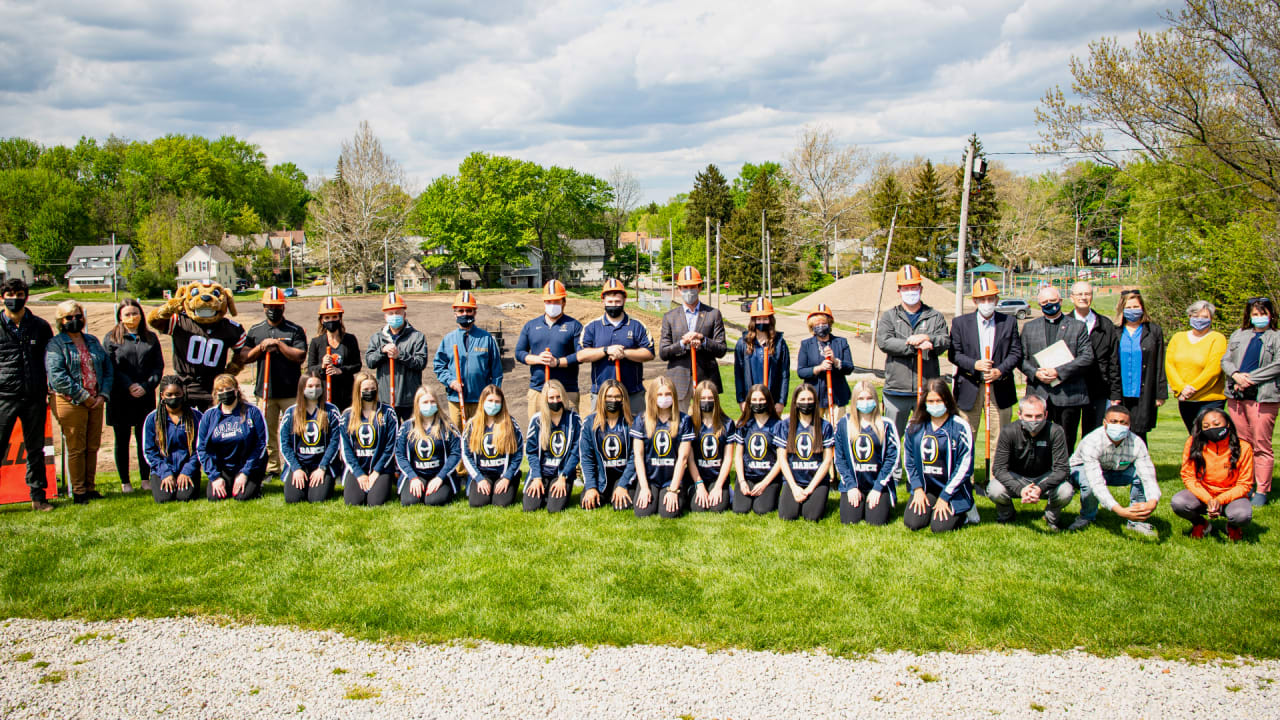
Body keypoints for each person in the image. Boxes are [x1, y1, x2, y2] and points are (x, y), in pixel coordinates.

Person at [46, 300, 114, 504]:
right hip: (70, 402)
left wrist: (103, 395)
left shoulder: (92, 341)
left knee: (92, 446)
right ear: (61, 321)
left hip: (96, 401)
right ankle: (79, 490)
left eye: (78, 317)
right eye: (69, 318)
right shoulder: (55, 344)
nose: (74, 321)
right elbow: (57, 376)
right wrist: (83, 396)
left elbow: (107, 369)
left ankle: (91, 487)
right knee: (76, 447)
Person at [948, 278, 1022, 465]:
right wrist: (974, 364)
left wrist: (1000, 371)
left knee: (1000, 435)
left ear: (997, 300)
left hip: (999, 387)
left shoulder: (1009, 322)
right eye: (982, 299)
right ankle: (966, 477)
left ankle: (997, 477)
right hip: (970, 386)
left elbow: (1016, 353)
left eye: (990, 298)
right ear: (975, 301)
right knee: (966, 435)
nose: (987, 303)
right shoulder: (960, 323)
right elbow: (954, 354)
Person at [875, 265, 950, 438]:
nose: (910, 291)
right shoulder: (890, 316)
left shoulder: (934, 316)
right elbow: (884, 342)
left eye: (914, 287)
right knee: (893, 437)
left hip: (926, 390)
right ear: (899, 291)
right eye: (906, 288)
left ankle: (923, 465)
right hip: (897, 389)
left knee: (927, 436)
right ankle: (894, 466)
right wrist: (913, 345)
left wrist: (929, 339)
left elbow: (945, 340)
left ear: (921, 289)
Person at [0, 278, 55, 511]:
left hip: (34, 396)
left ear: (26, 296)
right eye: (9, 294)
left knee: (35, 448)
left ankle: (38, 497)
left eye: (19, 293)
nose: (14, 298)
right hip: (4, 397)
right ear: (2, 297)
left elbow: (49, 361)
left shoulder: (40, 326)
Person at [243, 287, 308, 481]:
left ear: (283, 308)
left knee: (296, 430)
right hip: (266, 392)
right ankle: (272, 468)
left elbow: (299, 356)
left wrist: (279, 345)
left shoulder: (294, 330)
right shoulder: (256, 330)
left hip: (290, 391)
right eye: (270, 306)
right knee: (267, 432)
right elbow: (244, 356)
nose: (274, 309)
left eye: (278, 306)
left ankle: (296, 465)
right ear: (264, 307)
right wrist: (260, 347)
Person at [1020, 284, 1095, 452]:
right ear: (1039, 304)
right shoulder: (1029, 327)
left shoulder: (1077, 327)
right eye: (1044, 301)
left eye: (1053, 300)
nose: (1049, 304)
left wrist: (1058, 372)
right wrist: (1035, 373)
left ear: (1060, 301)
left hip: (1068, 394)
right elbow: (1020, 358)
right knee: (1036, 441)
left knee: (1066, 440)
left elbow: (1087, 357)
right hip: (1039, 393)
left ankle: (1063, 474)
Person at [1221, 297, 1280, 506]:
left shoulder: (1276, 337)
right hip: (1236, 397)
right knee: (1243, 444)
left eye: (1263, 313)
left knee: (1261, 444)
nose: (1259, 318)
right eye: (1255, 314)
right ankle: (1246, 485)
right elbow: (1225, 360)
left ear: (1271, 315)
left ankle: (1262, 490)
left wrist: (1250, 379)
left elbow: (1277, 365)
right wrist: (1236, 375)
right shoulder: (1239, 334)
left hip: (1263, 397)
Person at [1068, 404, 1161, 535]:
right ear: (1104, 423)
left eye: (1123, 423)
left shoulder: (1137, 443)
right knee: (1089, 483)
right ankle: (1086, 517)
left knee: (1140, 475)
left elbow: (1149, 476)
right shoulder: (1092, 441)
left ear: (1129, 425)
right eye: (1114, 422)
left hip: (1116, 470)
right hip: (1082, 471)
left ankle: (1137, 519)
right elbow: (1096, 482)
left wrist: (1153, 501)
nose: (1118, 426)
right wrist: (1119, 510)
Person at [103, 298, 164, 493]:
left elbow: (158, 366)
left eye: (135, 313)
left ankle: (145, 479)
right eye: (127, 314)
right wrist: (129, 385)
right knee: (121, 440)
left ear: (141, 315)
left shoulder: (151, 338)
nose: (132, 317)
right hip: (120, 397)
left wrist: (146, 386)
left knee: (144, 438)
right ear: (120, 317)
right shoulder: (111, 338)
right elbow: (111, 366)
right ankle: (125, 482)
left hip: (145, 397)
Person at [988, 394, 1072, 529]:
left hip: (1045, 477)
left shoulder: (1056, 431)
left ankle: (1051, 518)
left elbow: (1062, 469)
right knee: (994, 489)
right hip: (1017, 477)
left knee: (1065, 491)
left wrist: (1041, 488)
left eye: (1038, 416)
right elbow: (998, 469)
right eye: (1028, 416)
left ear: (1046, 414)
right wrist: (1020, 489)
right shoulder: (1008, 431)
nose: (1034, 420)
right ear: (1020, 414)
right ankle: (1007, 516)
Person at [902, 379, 974, 533]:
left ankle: (964, 512)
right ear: (924, 402)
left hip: (953, 490)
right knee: (912, 523)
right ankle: (931, 505)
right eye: (930, 401)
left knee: (939, 528)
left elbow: (965, 467)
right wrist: (918, 489)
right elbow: (909, 461)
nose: (934, 405)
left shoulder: (960, 426)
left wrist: (946, 496)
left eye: (938, 400)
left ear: (947, 400)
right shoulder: (914, 425)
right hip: (927, 489)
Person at [1173, 407, 1254, 541]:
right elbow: (1188, 476)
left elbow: (1245, 484)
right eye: (1206, 426)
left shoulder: (1244, 447)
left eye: (1217, 424)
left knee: (1242, 515)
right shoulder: (1193, 443)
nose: (1212, 428)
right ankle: (1200, 523)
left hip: (1232, 496)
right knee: (1179, 502)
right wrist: (1208, 499)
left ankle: (1233, 526)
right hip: (1203, 494)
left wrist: (1219, 500)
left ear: (1227, 424)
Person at [578, 278, 654, 416]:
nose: (614, 305)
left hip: (633, 392)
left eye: (617, 302)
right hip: (602, 392)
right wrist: (606, 350)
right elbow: (581, 355)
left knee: (636, 433)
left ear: (624, 300)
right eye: (610, 302)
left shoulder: (637, 326)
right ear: (603, 301)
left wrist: (624, 353)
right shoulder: (592, 327)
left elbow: (649, 353)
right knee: (601, 432)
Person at [659, 266, 728, 409]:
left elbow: (721, 350)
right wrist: (683, 343)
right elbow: (663, 353)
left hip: (706, 380)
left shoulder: (713, 314)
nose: (688, 291)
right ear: (679, 289)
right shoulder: (670, 317)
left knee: (707, 424)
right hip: (679, 381)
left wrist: (703, 341)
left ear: (700, 287)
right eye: (684, 287)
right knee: (679, 425)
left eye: (692, 287)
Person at [833, 381, 900, 526]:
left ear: (875, 400)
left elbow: (892, 458)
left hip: (877, 484)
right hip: (853, 484)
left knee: (876, 521)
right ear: (854, 401)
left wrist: (877, 488)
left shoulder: (886, 425)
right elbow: (840, 458)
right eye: (861, 399)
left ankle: (883, 497)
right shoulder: (844, 424)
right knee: (850, 520)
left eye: (869, 398)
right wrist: (850, 486)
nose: (865, 402)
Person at [433, 291, 503, 429]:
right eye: (461, 310)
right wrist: (450, 382)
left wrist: (493, 395)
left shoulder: (486, 338)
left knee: (480, 435)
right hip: (456, 400)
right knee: (458, 437)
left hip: (481, 400)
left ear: (475, 312)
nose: (465, 313)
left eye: (469, 310)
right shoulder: (448, 339)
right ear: (455, 313)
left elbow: (496, 371)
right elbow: (439, 366)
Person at [196, 373, 268, 502]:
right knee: (215, 497)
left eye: (228, 389)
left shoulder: (252, 412)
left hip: (248, 466)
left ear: (236, 390)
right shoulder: (209, 416)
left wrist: (245, 473)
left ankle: (255, 483)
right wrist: (215, 477)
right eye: (221, 390)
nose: (225, 393)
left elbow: (261, 444)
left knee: (242, 497)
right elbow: (202, 448)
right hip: (223, 468)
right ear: (215, 393)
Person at [629, 375, 693, 518]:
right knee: (642, 512)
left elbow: (683, 459)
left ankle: (681, 493)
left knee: (669, 513)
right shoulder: (641, 420)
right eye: (660, 394)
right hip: (650, 478)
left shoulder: (684, 420)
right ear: (652, 396)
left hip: (672, 479)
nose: (664, 398)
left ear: (674, 396)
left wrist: (673, 490)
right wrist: (644, 487)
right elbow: (638, 456)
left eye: (668, 394)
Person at [514, 280, 583, 413]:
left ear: (564, 302)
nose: (552, 305)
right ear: (544, 302)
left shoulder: (574, 326)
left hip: (567, 391)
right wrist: (538, 359)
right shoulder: (531, 325)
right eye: (549, 301)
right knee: (539, 431)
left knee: (569, 432)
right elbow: (519, 353)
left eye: (556, 301)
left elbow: (580, 356)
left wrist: (557, 362)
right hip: (538, 391)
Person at [1109, 289, 1167, 444]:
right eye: (1129, 307)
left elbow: (1160, 362)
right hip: (1121, 392)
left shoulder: (1153, 331)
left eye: (1136, 307)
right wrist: (1113, 394)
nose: (1133, 311)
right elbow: (1111, 364)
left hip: (1144, 391)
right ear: (1122, 309)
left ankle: (1141, 466)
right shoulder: (1115, 331)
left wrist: (1160, 393)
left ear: (1142, 308)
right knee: (1119, 430)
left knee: (1140, 432)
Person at [279, 371, 343, 504]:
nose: (314, 389)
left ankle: (326, 481)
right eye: (310, 386)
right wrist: (296, 468)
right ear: (302, 388)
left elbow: (335, 442)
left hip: (321, 465)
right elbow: (284, 444)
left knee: (317, 499)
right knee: (293, 499)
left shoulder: (331, 411)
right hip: (299, 464)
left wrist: (322, 467)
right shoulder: (291, 412)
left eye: (318, 386)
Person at [365, 291, 429, 421]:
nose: (395, 316)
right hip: (386, 399)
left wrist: (400, 355)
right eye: (391, 313)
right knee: (389, 436)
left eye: (398, 312)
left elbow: (420, 363)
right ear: (385, 316)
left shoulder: (417, 337)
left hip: (409, 398)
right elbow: (370, 362)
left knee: (410, 435)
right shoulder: (377, 338)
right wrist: (382, 351)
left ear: (404, 314)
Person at [1166, 300, 1227, 434]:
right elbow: (1169, 365)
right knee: (1194, 437)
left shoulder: (1217, 338)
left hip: (1209, 399)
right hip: (1185, 400)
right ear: (1189, 317)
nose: (1200, 320)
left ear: (1211, 319)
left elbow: (1213, 369)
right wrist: (1181, 388)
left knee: (1210, 436)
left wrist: (1191, 389)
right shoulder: (1178, 338)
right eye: (1196, 316)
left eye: (1205, 317)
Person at [395, 386, 462, 507]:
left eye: (432, 402)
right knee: (410, 501)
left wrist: (440, 478)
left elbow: (456, 453)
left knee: (434, 501)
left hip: (440, 475)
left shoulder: (447, 426)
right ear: (417, 405)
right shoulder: (407, 427)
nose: (429, 405)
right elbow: (400, 454)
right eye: (425, 402)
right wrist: (413, 477)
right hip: (416, 474)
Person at [776, 384, 835, 522]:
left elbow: (827, 461)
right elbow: (782, 459)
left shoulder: (825, 426)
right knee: (787, 516)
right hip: (794, 480)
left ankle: (816, 496)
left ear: (815, 401)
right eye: (802, 399)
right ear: (795, 402)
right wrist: (794, 487)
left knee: (811, 516)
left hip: (817, 481)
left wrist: (809, 489)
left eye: (810, 399)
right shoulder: (785, 426)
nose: (806, 403)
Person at [340, 372, 399, 507]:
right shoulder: (347, 415)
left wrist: (376, 472)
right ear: (358, 391)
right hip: (358, 467)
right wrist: (359, 473)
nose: (369, 392)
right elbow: (346, 449)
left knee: (375, 502)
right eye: (365, 390)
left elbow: (390, 447)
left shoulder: (388, 413)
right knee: (353, 501)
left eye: (372, 389)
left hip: (381, 468)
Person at [1068, 281, 1118, 438]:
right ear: (1072, 298)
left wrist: (1115, 393)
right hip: (1070, 389)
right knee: (1067, 434)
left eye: (1087, 294)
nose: (1083, 297)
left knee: (1094, 435)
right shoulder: (1064, 323)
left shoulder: (1105, 325)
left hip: (1098, 388)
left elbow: (1113, 361)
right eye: (1080, 294)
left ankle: (1091, 463)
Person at [524, 380, 582, 513]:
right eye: (551, 397)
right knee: (530, 507)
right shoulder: (537, 420)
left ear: (563, 397)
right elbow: (531, 452)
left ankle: (556, 490)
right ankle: (545, 488)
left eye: (558, 396)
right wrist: (537, 477)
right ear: (545, 399)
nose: (555, 400)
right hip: (542, 473)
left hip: (562, 473)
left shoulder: (573, 419)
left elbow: (576, 451)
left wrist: (563, 477)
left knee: (554, 508)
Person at [142, 376, 203, 503]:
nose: (174, 398)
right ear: (162, 395)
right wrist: (165, 473)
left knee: (185, 497)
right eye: (169, 394)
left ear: (183, 394)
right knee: (164, 498)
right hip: (162, 469)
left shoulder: (196, 417)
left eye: (177, 394)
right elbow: (149, 451)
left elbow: (200, 448)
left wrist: (187, 471)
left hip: (187, 469)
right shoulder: (152, 419)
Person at [461, 385, 523, 507]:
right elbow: (466, 455)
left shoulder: (511, 423)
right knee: (477, 503)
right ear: (483, 402)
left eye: (497, 402)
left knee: (501, 503)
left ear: (502, 403)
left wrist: (507, 477)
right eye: (490, 401)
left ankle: (512, 483)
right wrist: (479, 479)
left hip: (504, 475)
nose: (493, 405)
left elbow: (519, 453)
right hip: (483, 475)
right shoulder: (471, 425)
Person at [579, 379, 637, 510]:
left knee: (623, 506)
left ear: (623, 399)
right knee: (589, 505)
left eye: (617, 396)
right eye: (609, 397)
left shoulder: (633, 423)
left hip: (623, 477)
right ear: (601, 398)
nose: (613, 400)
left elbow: (635, 457)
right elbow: (586, 458)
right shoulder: (589, 423)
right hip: (601, 479)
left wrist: (623, 484)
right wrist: (591, 487)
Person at [732, 384, 786, 515]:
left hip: (769, 477)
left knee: (761, 509)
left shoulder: (778, 425)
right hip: (748, 476)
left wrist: (764, 483)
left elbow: (780, 460)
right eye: (754, 400)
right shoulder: (743, 425)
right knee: (740, 509)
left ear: (768, 401)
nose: (758, 403)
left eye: (762, 400)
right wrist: (742, 481)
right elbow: (738, 456)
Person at [797, 303, 854, 422]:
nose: (821, 326)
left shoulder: (841, 342)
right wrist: (818, 368)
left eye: (824, 323)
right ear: (812, 326)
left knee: (836, 429)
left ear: (830, 324)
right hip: (815, 395)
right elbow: (801, 371)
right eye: (817, 324)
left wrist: (835, 361)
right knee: (814, 430)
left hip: (837, 396)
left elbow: (849, 368)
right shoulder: (806, 345)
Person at [688, 380, 737, 513]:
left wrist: (719, 486)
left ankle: (728, 490)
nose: (706, 401)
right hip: (698, 477)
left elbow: (728, 459)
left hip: (718, 477)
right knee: (698, 508)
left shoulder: (727, 423)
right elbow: (690, 459)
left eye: (710, 398)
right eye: (703, 398)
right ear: (697, 400)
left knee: (717, 508)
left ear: (716, 399)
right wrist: (699, 485)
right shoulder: (690, 423)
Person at [734, 297, 789, 416]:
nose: (761, 322)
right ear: (753, 321)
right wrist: (741, 400)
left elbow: (784, 374)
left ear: (770, 320)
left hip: (772, 400)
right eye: (758, 319)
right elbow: (738, 374)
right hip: (751, 400)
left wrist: (781, 401)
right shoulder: (743, 343)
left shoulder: (779, 343)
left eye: (765, 319)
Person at [306, 297, 362, 411]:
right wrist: (322, 366)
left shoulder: (350, 339)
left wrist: (340, 370)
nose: (331, 320)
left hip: (346, 393)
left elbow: (357, 365)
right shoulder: (316, 342)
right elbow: (310, 368)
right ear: (321, 320)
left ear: (340, 318)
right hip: (324, 393)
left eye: (334, 317)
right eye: (327, 317)